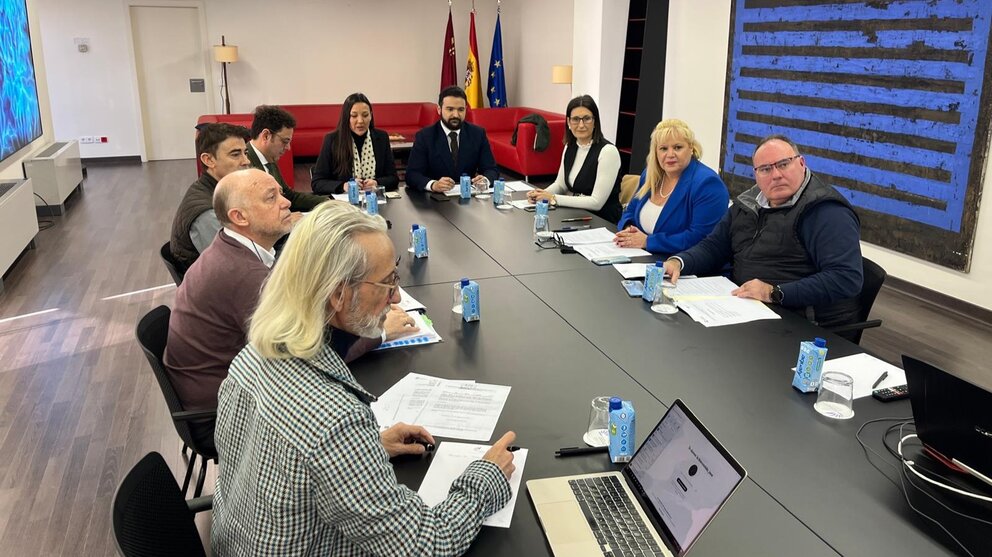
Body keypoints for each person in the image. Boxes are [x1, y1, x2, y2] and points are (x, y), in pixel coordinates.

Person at [211, 201, 516, 555]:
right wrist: (486, 478)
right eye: (387, 282)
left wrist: (366, 451)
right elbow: (425, 546)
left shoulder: (251, 358)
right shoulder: (334, 420)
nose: (397, 296)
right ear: (338, 294)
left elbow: (281, 465)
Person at [164, 169, 415, 450]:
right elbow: (307, 354)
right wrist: (380, 332)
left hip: (226, 392)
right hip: (224, 416)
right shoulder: (242, 274)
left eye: (281, 194)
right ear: (239, 217)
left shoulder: (231, 250)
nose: (286, 203)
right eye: (272, 198)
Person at [664, 134, 863, 329]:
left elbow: (845, 277)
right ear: (756, 174)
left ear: (801, 163)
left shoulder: (826, 211)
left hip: (799, 322)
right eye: (766, 169)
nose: (776, 175)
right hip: (741, 307)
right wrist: (680, 262)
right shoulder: (747, 204)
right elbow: (714, 246)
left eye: (783, 164)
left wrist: (773, 292)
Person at [614, 119, 729, 254]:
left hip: (685, 265)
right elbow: (630, 211)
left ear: (691, 148)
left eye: (677, 147)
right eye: (663, 148)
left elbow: (700, 238)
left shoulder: (708, 184)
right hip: (642, 256)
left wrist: (648, 242)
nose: (670, 155)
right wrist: (629, 230)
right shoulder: (650, 175)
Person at [527, 95, 623, 222]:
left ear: (595, 121)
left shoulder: (608, 152)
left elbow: (597, 202)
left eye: (587, 119)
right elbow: (560, 185)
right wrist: (540, 194)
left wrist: (553, 198)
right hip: (575, 214)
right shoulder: (570, 146)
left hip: (602, 220)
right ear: (568, 122)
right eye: (576, 119)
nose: (581, 125)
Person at [169, 123, 250, 270]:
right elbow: (233, 268)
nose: (246, 161)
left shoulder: (219, 189)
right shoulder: (207, 214)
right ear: (209, 160)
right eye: (236, 154)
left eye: (246, 153)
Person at [406, 86, 499, 192]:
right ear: (439, 110)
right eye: (450, 109)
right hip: (435, 200)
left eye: (461, 109)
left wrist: (485, 180)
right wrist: (433, 185)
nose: (456, 115)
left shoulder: (477, 134)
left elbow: (491, 169)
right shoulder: (425, 136)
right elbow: (412, 175)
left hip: (468, 197)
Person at [311, 93, 399, 195]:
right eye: (354, 116)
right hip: (343, 204)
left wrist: (377, 182)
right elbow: (317, 183)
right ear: (346, 117)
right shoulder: (332, 140)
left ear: (371, 115)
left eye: (365, 115)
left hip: (375, 200)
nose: (360, 121)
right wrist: (344, 186)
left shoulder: (382, 137)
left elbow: (393, 178)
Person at [246, 104, 329, 212]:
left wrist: (328, 202)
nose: (288, 148)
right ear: (266, 136)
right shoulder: (243, 163)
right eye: (285, 142)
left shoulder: (268, 158)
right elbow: (254, 209)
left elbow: (288, 196)